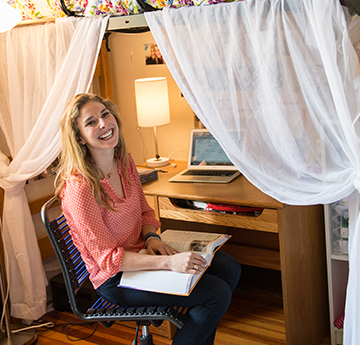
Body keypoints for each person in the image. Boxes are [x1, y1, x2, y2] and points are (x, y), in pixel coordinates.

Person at [55, 93, 241, 344]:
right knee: (215, 294)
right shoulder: (81, 188)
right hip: (116, 279)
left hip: (142, 254)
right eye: (90, 122)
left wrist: (152, 237)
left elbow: (145, 212)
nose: (103, 124)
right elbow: (109, 261)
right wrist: (169, 264)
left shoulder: (124, 162)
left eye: (105, 114)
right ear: (79, 137)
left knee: (229, 268)